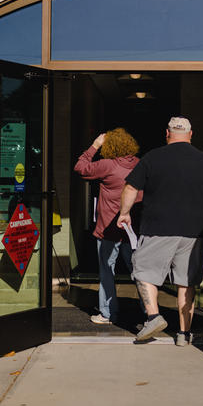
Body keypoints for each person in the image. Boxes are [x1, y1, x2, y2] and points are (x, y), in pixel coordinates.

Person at [117, 116, 203, 346]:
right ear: (191, 134)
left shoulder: (153, 157)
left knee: (143, 272)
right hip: (194, 231)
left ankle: (154, 317)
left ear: (167, 133)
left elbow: (130, 187)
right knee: (187, 283)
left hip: (158, 228)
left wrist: (124, 212)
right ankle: (184, 335)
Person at [74, 128, 141, 326]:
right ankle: (150, 311)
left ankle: (107, 313)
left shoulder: (107, 165)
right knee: (139, 271)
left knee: (106, 271)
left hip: (109, 229)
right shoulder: (140, 164)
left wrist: (95, 145)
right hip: (133, 230)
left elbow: (80, 167)